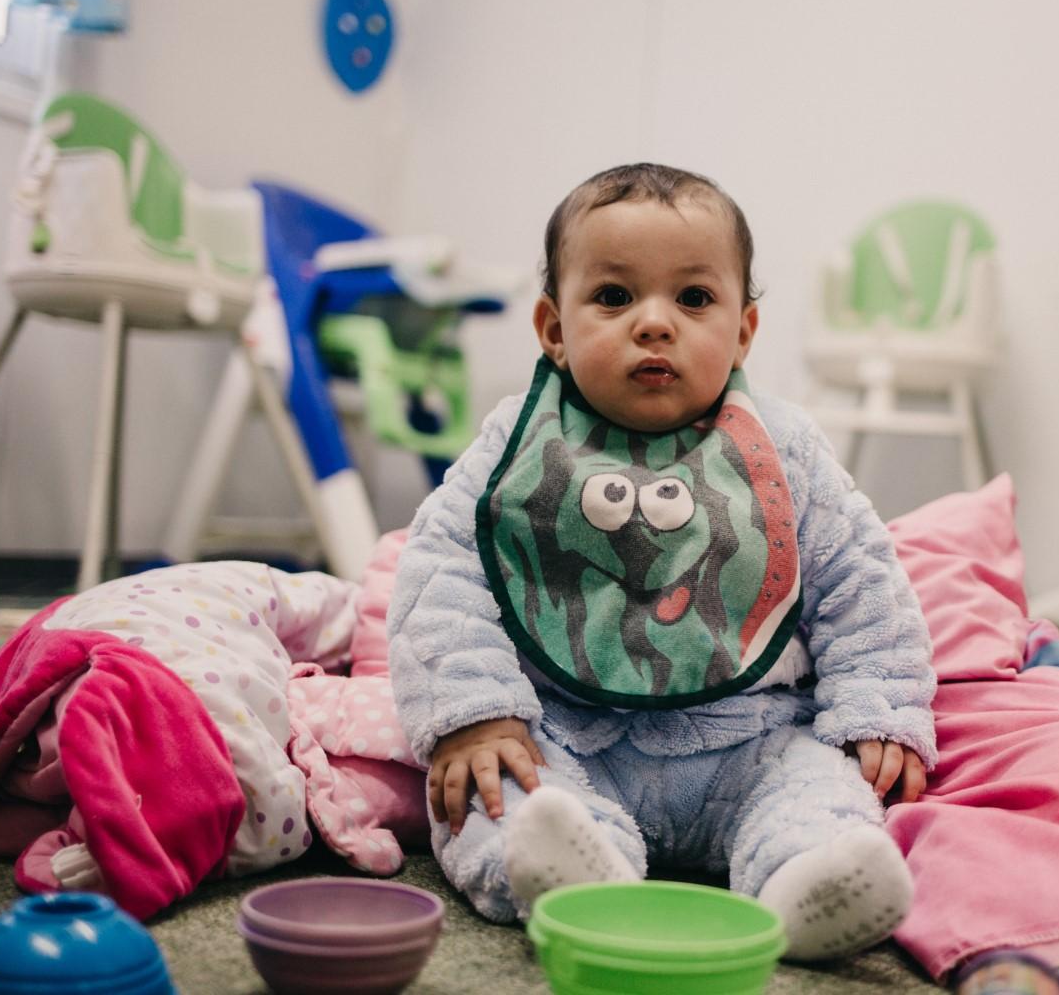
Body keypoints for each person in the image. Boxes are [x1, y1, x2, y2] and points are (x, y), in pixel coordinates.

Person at [387, 162, 938, 961]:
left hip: (748, 739)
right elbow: (443, 571)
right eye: (614, 296)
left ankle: (807, 877)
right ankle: (572, 872)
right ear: (553, 327)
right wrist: (476, 712)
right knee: (492, 791)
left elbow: (860, 578)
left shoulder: (782, 451)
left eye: (694, 298)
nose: (654, 323)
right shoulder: (519, 444)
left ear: (743, 331)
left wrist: (876, 711)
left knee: (819, 787)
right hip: (565, 734)